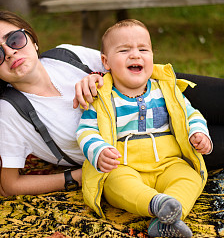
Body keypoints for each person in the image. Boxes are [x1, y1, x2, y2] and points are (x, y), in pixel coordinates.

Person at [0, 10, 224, 198]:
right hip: (156, 147)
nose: (9, 52)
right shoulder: (10, 113)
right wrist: (74, 177)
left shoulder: (67, 55)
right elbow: (4, 184)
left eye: (14, 39)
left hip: (162, 97)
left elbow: (122, 60)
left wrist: (101, 77)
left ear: (33, 41)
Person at [76, 19, 212, 237]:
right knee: (116, 184)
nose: (135, 55)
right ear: (106, 61)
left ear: (152, 57)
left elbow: (190, 113)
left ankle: (168, 217)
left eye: (143, 49)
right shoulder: (102, 97)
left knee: (191, 177)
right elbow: (86, 131)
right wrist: (99, 150)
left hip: (168, 162)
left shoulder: (165, 90)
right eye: (124, 50)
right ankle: (156, 204)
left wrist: (198, 133)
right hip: (124, 164)